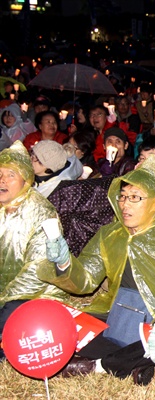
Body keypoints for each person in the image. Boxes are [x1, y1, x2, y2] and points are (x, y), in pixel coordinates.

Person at [39, 156, 155, 385]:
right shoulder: (110, 234)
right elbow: (85, 280)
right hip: (117, 312)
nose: (125, 204)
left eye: (135, 198)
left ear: (154, 201)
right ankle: (135, 363)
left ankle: (99, 365)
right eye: (123, 197)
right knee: (66, 325)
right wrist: (64, 262)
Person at [0, 141, 69, 360]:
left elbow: (39, 270)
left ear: (26, 179)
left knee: (11, 320)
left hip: (30, 295)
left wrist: (3, 297)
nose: (2, 180)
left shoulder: (41, 212)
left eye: (11, 175)